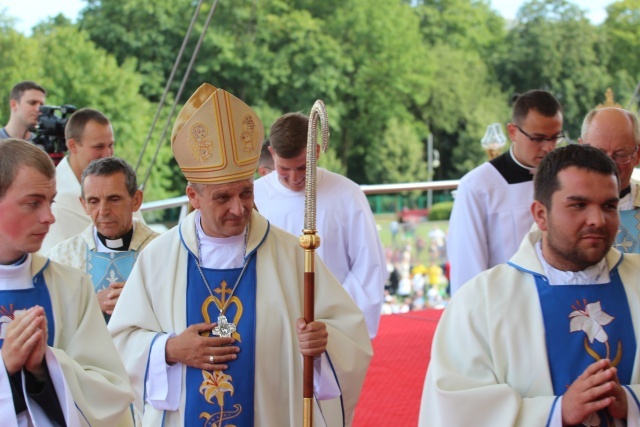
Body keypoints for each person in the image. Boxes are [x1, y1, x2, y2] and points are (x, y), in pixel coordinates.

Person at [108, 83, 372, 426]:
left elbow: (349, 336)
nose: (238, 208)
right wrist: (169, 350)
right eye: (222, 198)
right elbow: (119, 344)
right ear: (193, 196)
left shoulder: (291, 255)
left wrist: (323, 342)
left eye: (246, 193)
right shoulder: (159, 257)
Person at [420, 144, 640, 425]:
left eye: (608, 206)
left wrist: (631, 403)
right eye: (578, 205)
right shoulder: (481, 301)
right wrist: (556, 413)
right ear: (540, 215)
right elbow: (455, 407)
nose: (597, 220)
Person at [0, 138, 134, 426]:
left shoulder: (71, 286)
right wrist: (4, 366)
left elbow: (110, 393)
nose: (49, 217)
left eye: (50, 202)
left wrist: (44, 367)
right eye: (32, 203)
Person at [253, 112, 387, 338]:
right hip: (272, 325)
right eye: (284, 169)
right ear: (272, 154)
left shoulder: (346, 194)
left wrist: (334, 318)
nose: (295, 178)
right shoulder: (255, 196)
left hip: (331, 326)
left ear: (315, 151)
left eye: (302, 167)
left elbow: (369, 265)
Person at [447, 89, 563, 295]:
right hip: (506, 302)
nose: (548, 147)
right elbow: (468, 267)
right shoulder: (478, 187)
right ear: (513, 132)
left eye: (555, 138)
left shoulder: (566, 176)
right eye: (538, 138)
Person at [48, 157, 159, 322]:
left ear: (136, 200)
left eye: (114, 199)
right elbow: (51, 320)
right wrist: (91, 304)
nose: (103, 211)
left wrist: (140, 302)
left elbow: (178, 312)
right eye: (93, 201)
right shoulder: (62, 256)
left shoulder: (161, 250)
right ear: (84, 204)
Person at [579, 107, 640, 253]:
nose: (609, 164)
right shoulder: (561, 208)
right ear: (580, 150)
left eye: (620, 155)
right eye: (599, 153)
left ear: (637, 155)